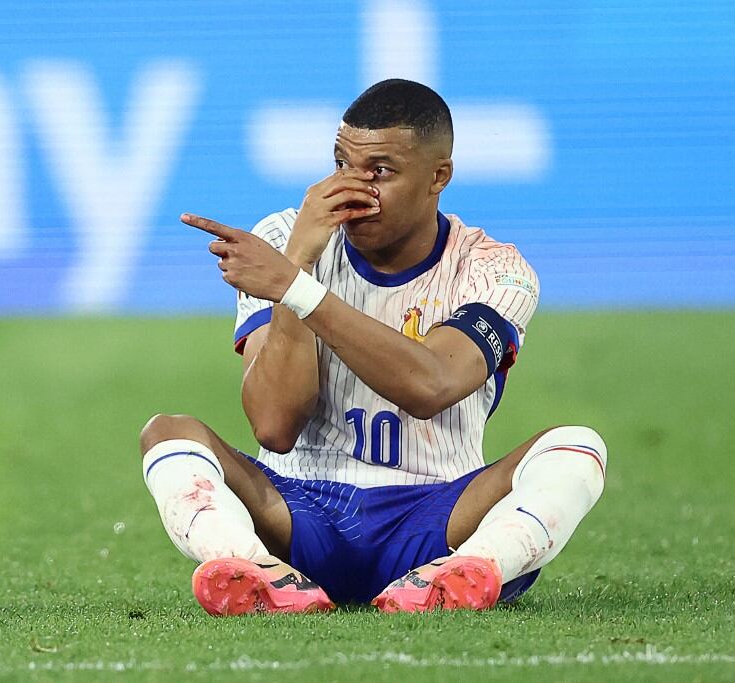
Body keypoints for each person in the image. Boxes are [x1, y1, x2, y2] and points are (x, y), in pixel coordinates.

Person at [140, 79, 607, 616]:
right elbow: (274, 426)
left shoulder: (495, 269)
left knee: (576, 445)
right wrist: (301, 264)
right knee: (167, 433)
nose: (352, 191)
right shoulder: (285, 239)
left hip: (438, 513)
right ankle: (257, 570)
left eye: (379, 172)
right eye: (341, 164)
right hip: (297, 513)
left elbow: (431, 384)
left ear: (439, 176)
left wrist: (296, 287)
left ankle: (468, 569)